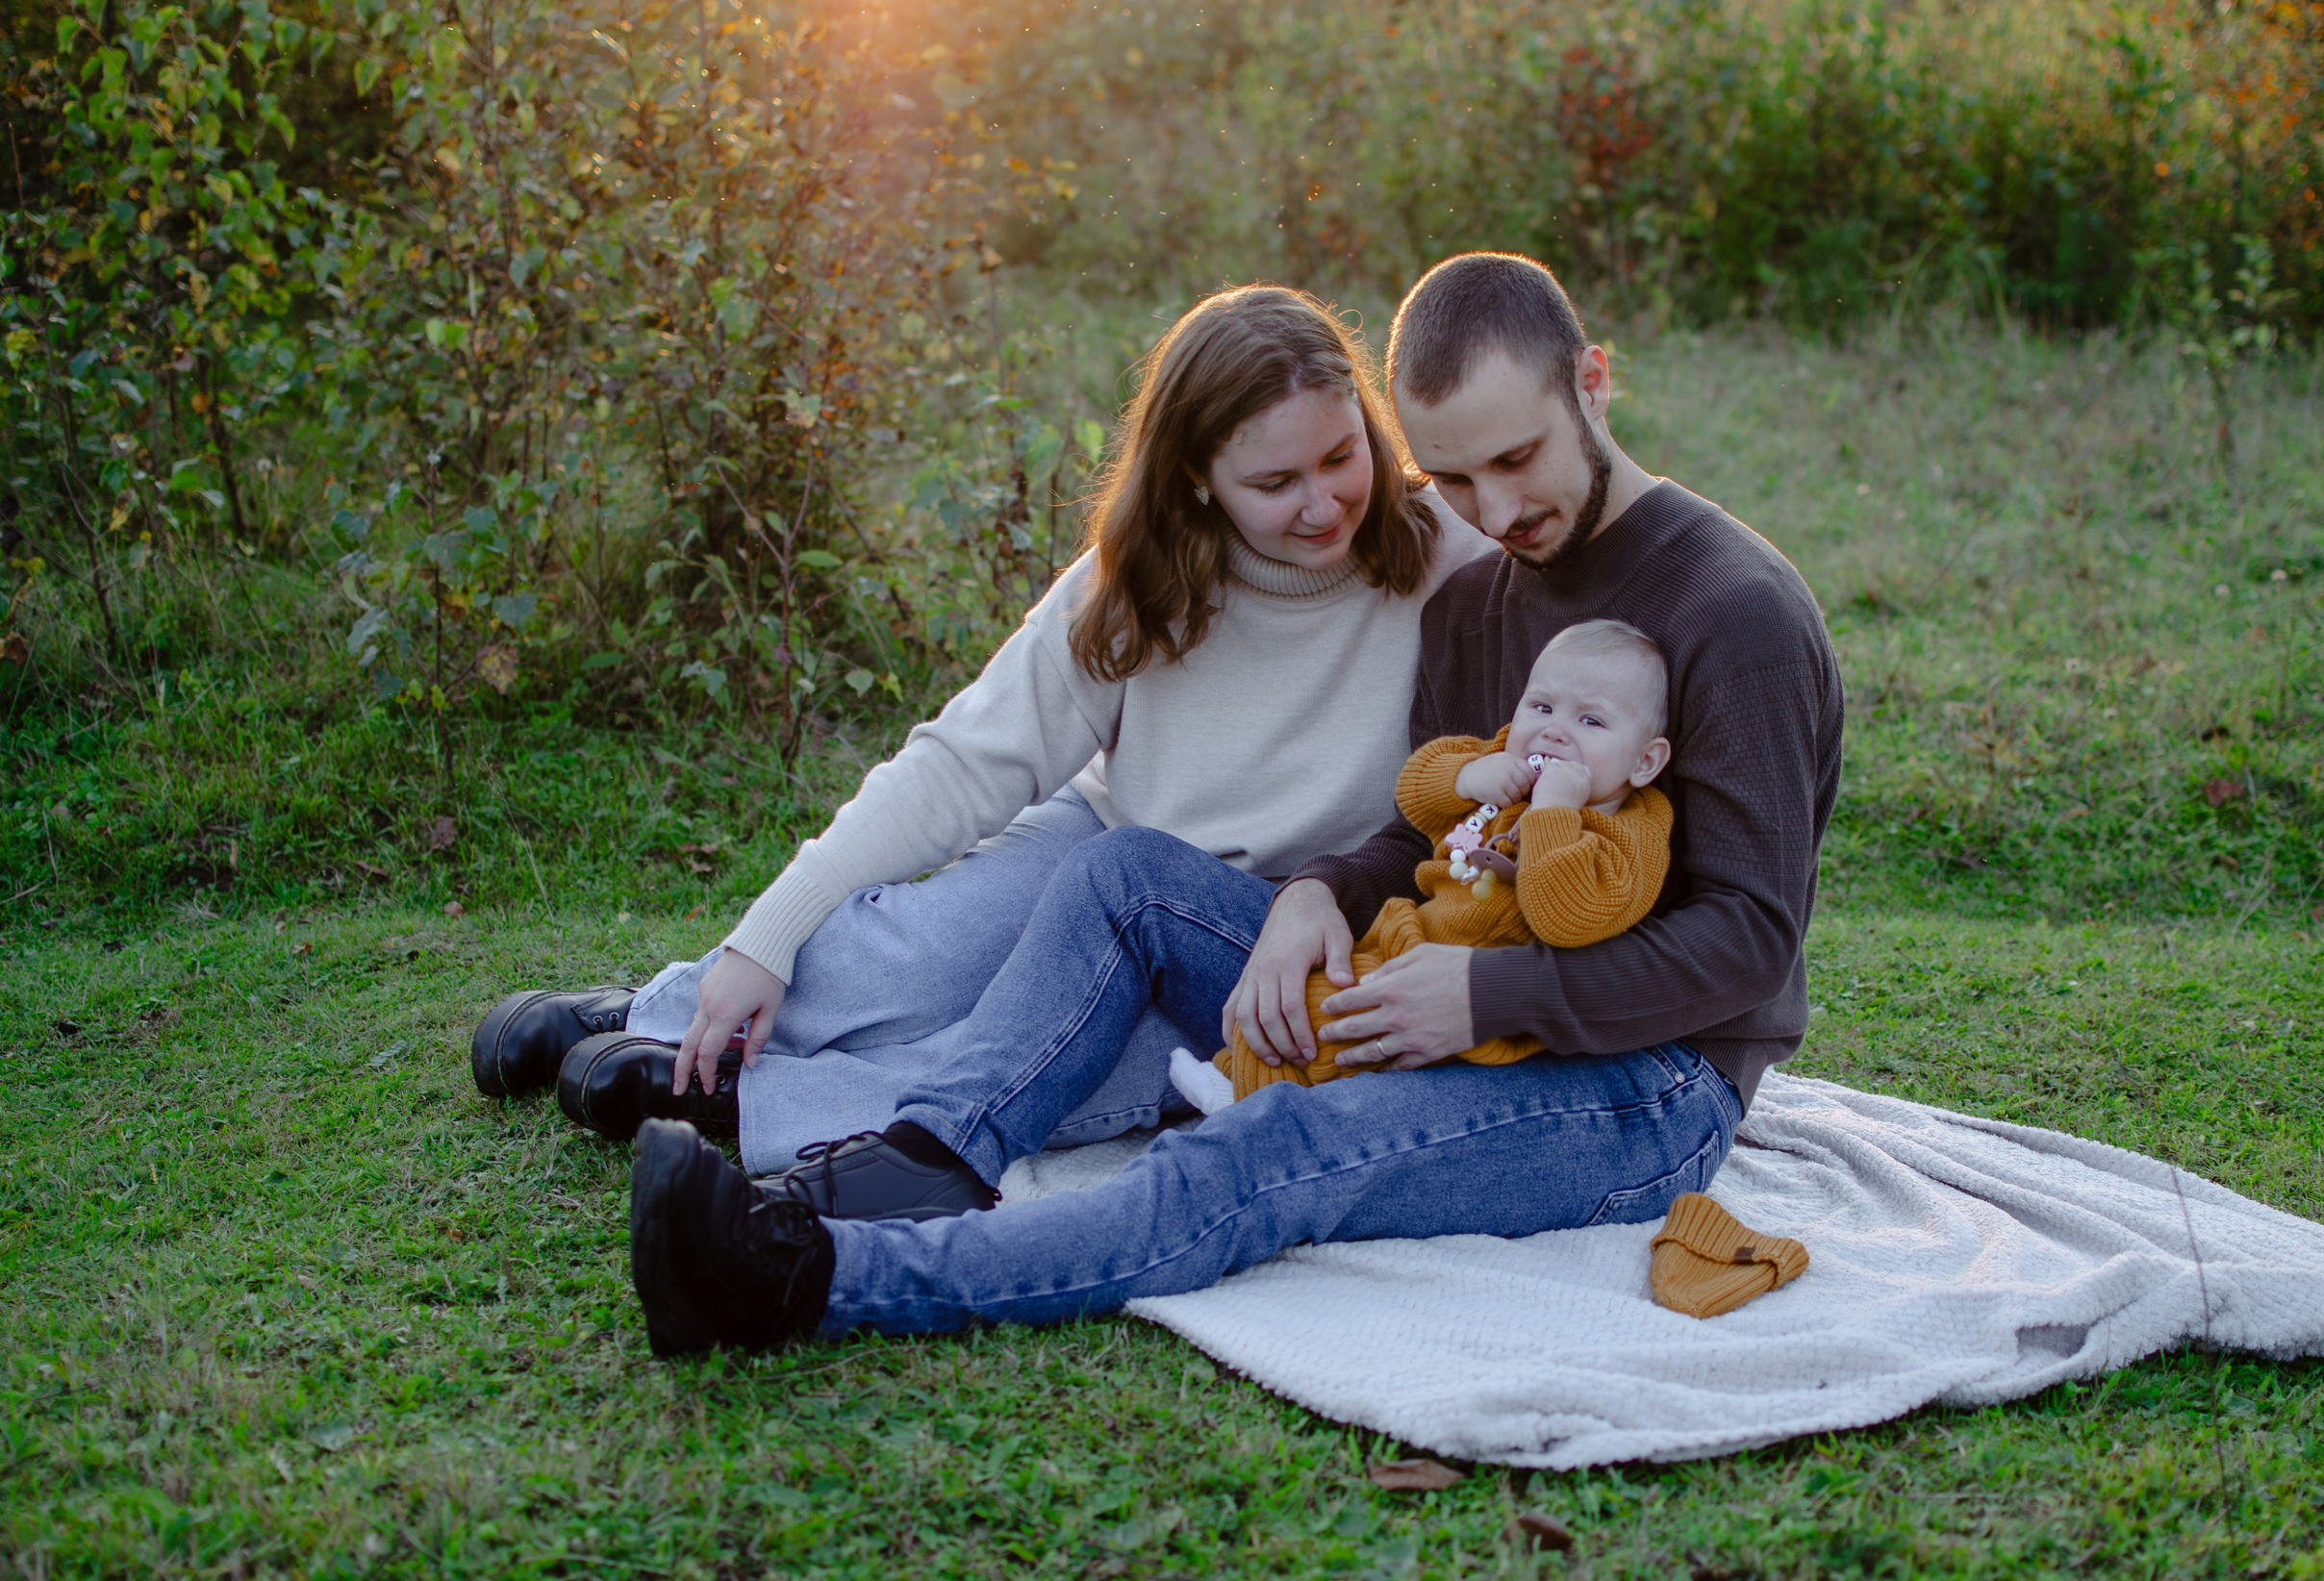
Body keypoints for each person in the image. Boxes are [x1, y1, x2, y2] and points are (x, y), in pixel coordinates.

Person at [622, 250, 1844, 1356]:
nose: (1493, 510)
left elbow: (1749, 946)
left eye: (1516, 459)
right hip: (1436, 971)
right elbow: (1430, 824)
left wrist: (1486, 990)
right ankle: (931, 1154)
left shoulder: (1736, 614)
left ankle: (804, 1275)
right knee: (1123, 872)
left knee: (1266, 1149)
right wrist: (1320, 893)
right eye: (1451, 476)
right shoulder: (1482, 595)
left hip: (1639, 1084)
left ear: (1592, 381)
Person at [467, 285, 1494, 1172]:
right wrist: (766, 934)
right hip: (1108, 847)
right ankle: (668, 1010)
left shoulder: (1453, 553)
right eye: (1274, 484)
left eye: (1339, 456)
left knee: (1071, 1046)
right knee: (921, 952)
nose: (1323, 505)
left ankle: (736, 1098)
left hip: (1282, 922)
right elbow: (963, 766)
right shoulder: (1140, 580)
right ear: (1196, 478)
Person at [1167, 617, 1674, 1114]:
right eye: (1541, 706)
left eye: (1591, 721)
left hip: (1474, 1003)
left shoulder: (1630, 836)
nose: (1555, 732)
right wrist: (1467, 776)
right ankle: (1253, 1085)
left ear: (1644, 762)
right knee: (1308, 986)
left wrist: (1555, 814)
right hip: (1408, 940)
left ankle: (1246, 1093)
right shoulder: (1503, 766)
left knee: (1330, 1008)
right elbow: (1415, 793)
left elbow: (1565, 917)